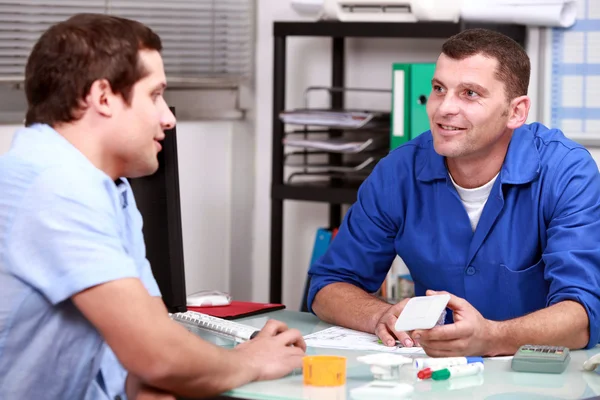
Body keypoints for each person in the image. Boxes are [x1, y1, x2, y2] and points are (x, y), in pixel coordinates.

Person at [0, 13, 305, 400]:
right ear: (104, 98)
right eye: (155, 95)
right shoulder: (53, 186)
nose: (168, 118)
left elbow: (150, 339)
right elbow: (159, 356)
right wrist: (251, 362)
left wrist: (171, 375)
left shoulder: (112, 188)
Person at [307, 28, 600, 357]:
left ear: (516, 112)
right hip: (432, 375)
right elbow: (328, 285)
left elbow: (582, 313)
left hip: (540, 376)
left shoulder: (566, 171)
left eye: (470, 93)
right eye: (438, 89)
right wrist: (379, 315)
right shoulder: (397, 171)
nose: (443, 108)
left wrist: (491, 336)